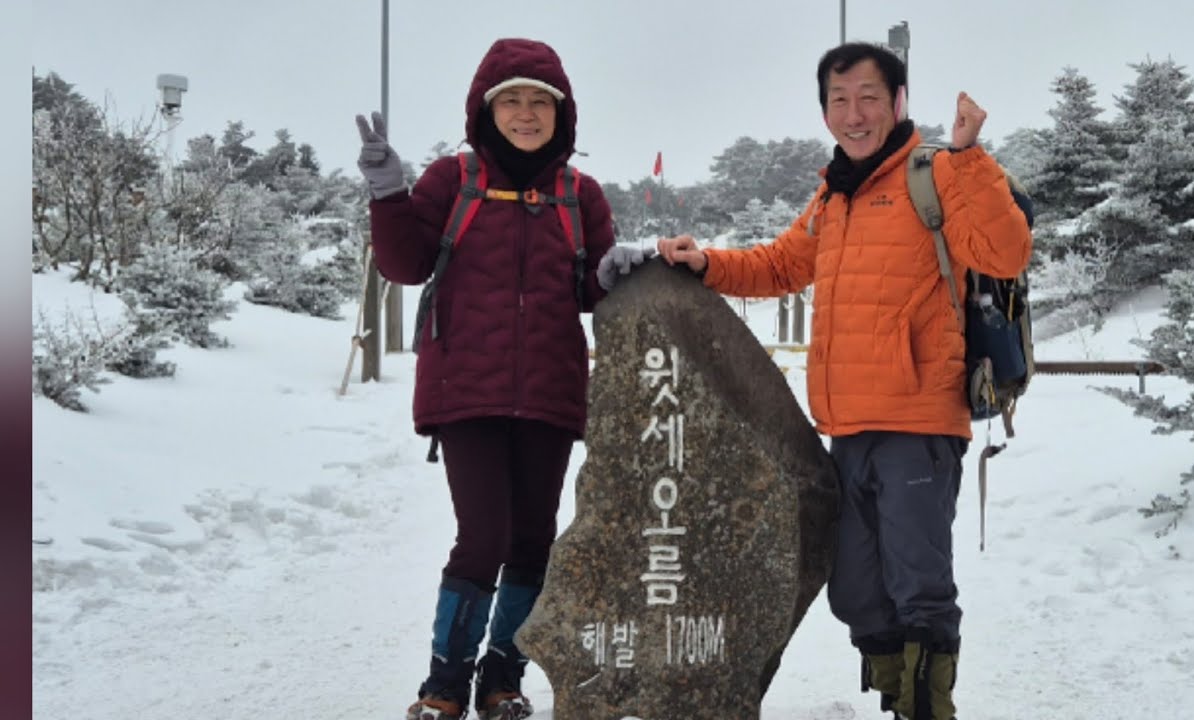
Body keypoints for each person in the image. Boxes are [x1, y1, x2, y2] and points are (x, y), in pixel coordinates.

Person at [655, 42, 1032, 720]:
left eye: (868, 98)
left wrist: (972, 156)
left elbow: (1005, 251)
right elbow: (777, 266)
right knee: (855, 590)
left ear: (897, 102)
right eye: (839, 100)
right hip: (848, 427)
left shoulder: (939, 173)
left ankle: (923, 709)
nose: (854, 114)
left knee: (918, 586)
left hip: (919, 423)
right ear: (826, 109)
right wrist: (704, 263)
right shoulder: (833, 195)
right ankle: (895, 692)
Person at [355, 37, 647, 720]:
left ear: (560, 112)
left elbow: (595, 290)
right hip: (467, 390)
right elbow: (404, 264)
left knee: (532, 540)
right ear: (485, 110)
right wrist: (387, 193)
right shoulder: (450, 182)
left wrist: (624, 272)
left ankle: (503, 678)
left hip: (549, 391)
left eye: (537, 102)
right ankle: (445, 681)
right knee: (482, 535)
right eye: (510, 100)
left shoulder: (580, 195)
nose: (524, 113)